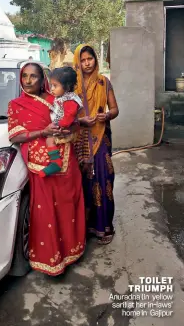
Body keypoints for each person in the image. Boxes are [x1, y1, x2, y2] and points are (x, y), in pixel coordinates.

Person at [7, 63, 85, 275]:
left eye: (34, 76)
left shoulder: (57, 99)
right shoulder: (16, 104)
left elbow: (72, 121)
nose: (28, 80)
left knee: (68, 206)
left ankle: (70, 252)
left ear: (43, 80)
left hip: (66, 162)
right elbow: (15, 136)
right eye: (25, 76)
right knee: (46, 211)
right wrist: (42, 132)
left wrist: (75, 125)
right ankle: (50, 259)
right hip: (41, 164)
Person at [73, 44, 119, 245]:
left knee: (103, 178)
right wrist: (80, 121)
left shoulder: (104, 82)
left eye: (89, 59)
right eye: (82, 60)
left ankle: (104, 226)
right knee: (82, 183)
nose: (86, 64)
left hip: (101, 137)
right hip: (79, 139)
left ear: (95, 59)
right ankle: (84, 227)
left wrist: (106, 115)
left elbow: (115, 109)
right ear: (78, 62)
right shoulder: (71, 85)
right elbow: (63, 113)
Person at [39, 66, 83, 178]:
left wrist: (59, 125)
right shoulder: (61, 96)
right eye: (51, 85)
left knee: (49, 140)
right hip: (62, 126)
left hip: (65, 129)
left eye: (55, 86)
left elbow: (69, 115)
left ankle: (56, 163)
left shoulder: (70, 100)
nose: (52, 89)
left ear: (67, 87)